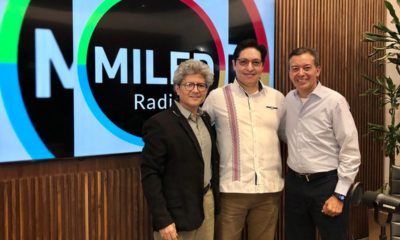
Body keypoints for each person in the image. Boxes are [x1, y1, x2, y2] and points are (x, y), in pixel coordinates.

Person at [202, 39, 285, 240]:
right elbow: (200, 133)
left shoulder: (277, 98)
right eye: (244, 62)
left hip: (269, 191)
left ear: (262, 66)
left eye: (256, 63)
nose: (250, 68)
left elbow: (285, 135)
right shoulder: (217, 97)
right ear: (234, 64)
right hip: (232, 191)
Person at [284, 47, 361, 240]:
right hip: (295, 184)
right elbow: (287, 136)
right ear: (289, 72)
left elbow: (350, 150)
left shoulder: (334, 102)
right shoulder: (288, 100)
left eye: (306, 67)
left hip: (326, 185)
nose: (300, 73)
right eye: (294, 68)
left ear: (318, 70)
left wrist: (340, 195)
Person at [141, 59, 220, 240]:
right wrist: (162, 220)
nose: (195, 90)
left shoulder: (205, 119)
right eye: (189, 84)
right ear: (177, 88)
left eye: (201, 85)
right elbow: (150, 174)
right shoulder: (160, 124)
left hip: (206, 203)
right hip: (176, 213)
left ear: (207, 90)